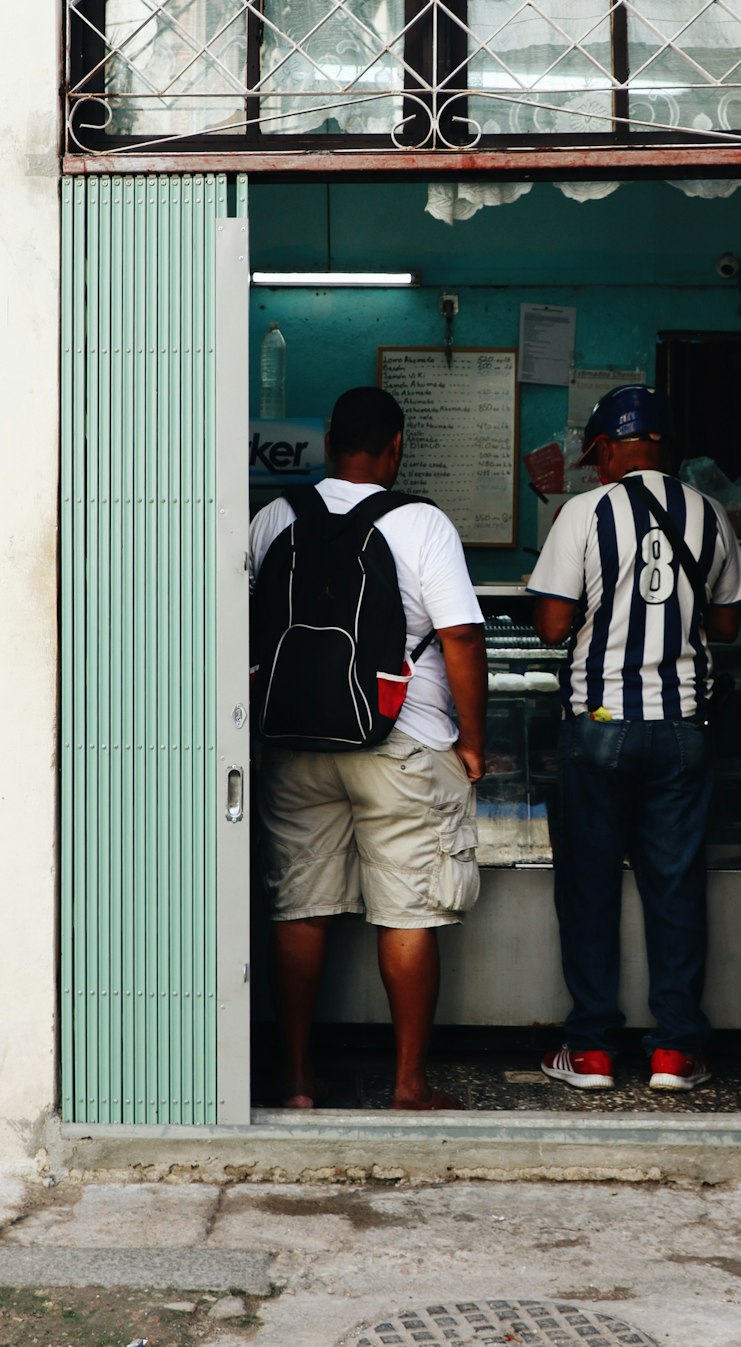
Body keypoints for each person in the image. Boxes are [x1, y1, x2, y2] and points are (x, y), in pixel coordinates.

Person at [249, 386, 487, 1112]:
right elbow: (462, 638)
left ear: (327, 442)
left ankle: (296, 1081)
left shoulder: (273, 517)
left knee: (300, 907)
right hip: (402, 744)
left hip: (292, 743)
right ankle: (409, 1085)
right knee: (407, 909)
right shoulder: (422, 523)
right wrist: (473, 743)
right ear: (397, 446)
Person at [527, 385, 741, 1094]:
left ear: (605, 449)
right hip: (682, 727)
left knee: (590, 886)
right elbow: (725, 627)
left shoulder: (583, 513)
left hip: (599, 728)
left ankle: (591, 1050)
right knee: (676, 888)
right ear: (663, 446)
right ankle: (675, 1053)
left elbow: (553, 626)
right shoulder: (709, 513)